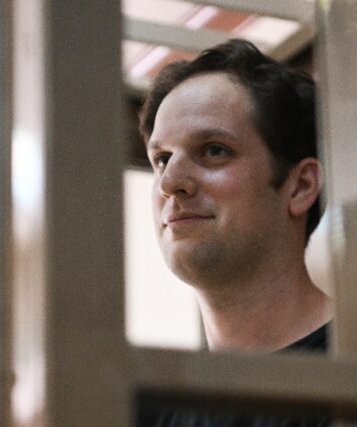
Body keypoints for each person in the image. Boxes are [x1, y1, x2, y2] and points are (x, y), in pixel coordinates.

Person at [137, 39, 332, 426]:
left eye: (213, 150)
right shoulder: (151, 408)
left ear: (300, 186)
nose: (170, 182)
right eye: (161, 159)